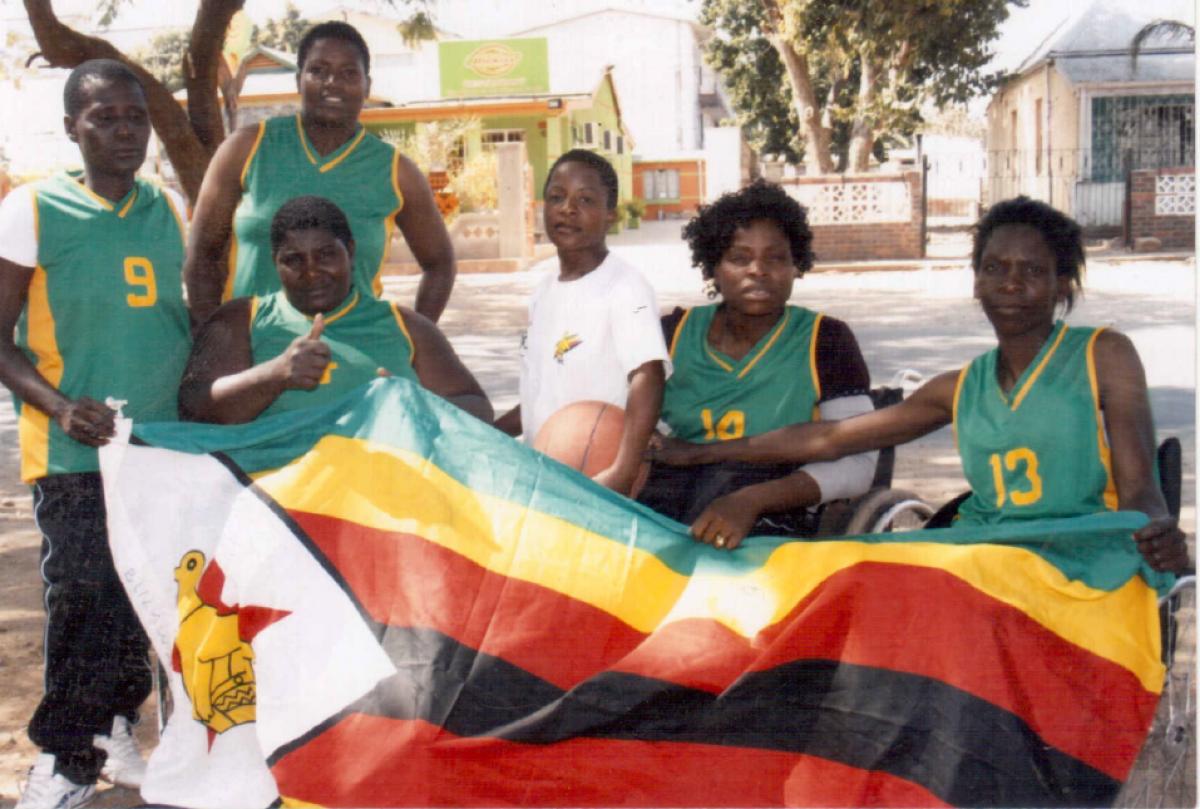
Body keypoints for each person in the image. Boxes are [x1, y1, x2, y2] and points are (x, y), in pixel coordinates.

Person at [652, 196, 1189, 573]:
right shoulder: (960, 387)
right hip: (989, 547)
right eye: (995, 267)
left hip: (1081, 547)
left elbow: (1140, 483)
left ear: (1062, 285)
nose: (1011, 283)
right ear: (976, 280)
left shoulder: (1104, 354)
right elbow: (829, 439)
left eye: (1032, 271)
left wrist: (1159, 525)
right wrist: (696, 456)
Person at [0, 59, 191, 808]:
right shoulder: (32, 208)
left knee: (140, 597)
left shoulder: (167, 208)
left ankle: (115, 722)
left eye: (133, 117)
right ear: (71, 128)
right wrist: (57, 403)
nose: (122, 131)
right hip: (75, 448)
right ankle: (66, 758)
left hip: (159, 447)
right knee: (82, 594)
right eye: (103, 118)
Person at [636, 180, 876, 548]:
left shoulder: (825, 340)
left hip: (777, 508)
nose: (758, 270)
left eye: (776, 258)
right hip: (676, 499)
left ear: (797, 266)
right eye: (739, 258)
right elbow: (619, 422)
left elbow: (858, 465)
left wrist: (753, 499)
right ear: (713, 267)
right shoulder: (672, 333)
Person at [184, 21, 455, 326]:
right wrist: (213, 339)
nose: (332, 83)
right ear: (299, 80)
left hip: (355, 357)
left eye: (348, 73)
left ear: (367, 85)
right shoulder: (247, 148)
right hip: (255, 352)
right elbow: (201, 255)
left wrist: (412, 340)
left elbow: (440, 264)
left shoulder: (396, 171)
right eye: (318, 70)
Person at [180, 195, 491, 425]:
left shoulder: (404, 325)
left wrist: (417, 403)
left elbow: (478, 408)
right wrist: (274, 375)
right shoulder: (241, 320)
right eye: (294, 259)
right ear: (275, 262)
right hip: (280, 503)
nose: (312, 272)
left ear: (351, 253)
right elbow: (193, 408)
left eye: (326, 255)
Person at [494, 149, 669, 495]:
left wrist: (623, 470)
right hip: (545, 472)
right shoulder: (542, 293)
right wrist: (485, 430)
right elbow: (540, 392)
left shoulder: (625, 287)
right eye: (556, 197)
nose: (567, 208)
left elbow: (649, 376)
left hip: (599, 475)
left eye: (585, 200)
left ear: (610, 216)